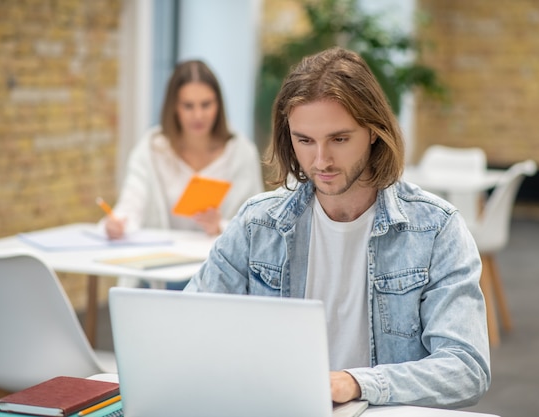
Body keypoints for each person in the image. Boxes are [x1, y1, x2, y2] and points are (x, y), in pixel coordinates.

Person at [185, 47, 490, 408]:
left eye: (339, 139)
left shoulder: (436, 229)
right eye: (305, 141)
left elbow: (466, 368)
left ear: (374, 132)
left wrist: (356, 383)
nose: (321, 161)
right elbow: (189, 328)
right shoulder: (257, 224)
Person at [103, 59, 264, 239]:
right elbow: (131, 204)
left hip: (221, 263)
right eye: (188, 106)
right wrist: (117, 224)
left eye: (206, 104)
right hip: (162, 261)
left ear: (218, 105)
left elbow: (256, 221)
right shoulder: (152, 149)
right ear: (174, 108)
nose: (198, 115)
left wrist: (220, 226)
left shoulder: (241, 153)